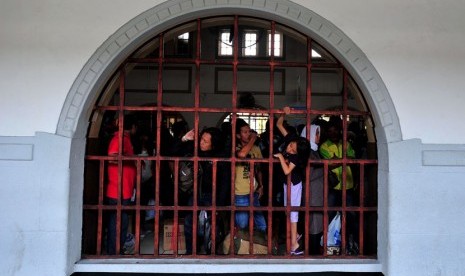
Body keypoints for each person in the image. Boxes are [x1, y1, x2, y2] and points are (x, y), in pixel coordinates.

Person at [177, 127, 229, 254]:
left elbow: (225, 183)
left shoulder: (222, 157)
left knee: (212, 228)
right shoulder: (196, 151)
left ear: (214, 144)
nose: (201, 143)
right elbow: (170, 152)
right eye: (201, 139)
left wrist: (220, 206)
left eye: (206, 141)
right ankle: (191, 252)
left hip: (213, 196)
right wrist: (184, 139)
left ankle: (211, 253)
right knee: (190, 223)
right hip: (196, 193)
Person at [319, 116, 359, 254]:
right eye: (330, 131)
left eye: (335, 130)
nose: (333, 133)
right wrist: (344, 160)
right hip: (333, 187)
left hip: (348, 185)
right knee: (329, 214)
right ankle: (329, 243)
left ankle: (349, 242)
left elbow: (353, 159)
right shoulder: (324, 146)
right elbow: (328, 164)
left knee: (350, 216)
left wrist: (337, 161)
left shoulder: (346, 144)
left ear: (339, 131)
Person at [273, 107, 310, 255]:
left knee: (293, 213)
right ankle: (294, 237)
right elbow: (279, 125)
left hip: (294, 184)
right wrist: (284, 113)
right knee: (289, 212)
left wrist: (281, 157)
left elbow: (288, 171)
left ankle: (294, 244)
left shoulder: (295, 157)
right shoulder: (291, 139)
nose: (288, 148)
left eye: (292, 149)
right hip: (286, 184)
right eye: (290, 145)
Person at [105, 114, 137, 255]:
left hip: (123, 187)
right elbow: (112, 156)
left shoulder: (124, 139)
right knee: (118, 222)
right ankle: (114, 251)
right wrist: (130, 159)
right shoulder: (120, 139)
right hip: (118, 188)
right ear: (133, 127)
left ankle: (116, 249)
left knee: (120, 220)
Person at [234, 119, 267, 232]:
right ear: (238, 135)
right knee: (242, 226)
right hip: (240, 193)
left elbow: (259, 169)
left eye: (250, 131)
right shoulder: (235, 148)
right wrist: (253, 138)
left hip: (254, 191)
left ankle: (259, 248)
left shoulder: (256, 149)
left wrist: (261, 186)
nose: (249, 134)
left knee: (262, 225)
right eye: (245, 132)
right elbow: (242, 155)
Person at [301, 123, 324, 254]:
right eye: (316, 133)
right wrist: (327, 168)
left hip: (317, 192)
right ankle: (311, 253)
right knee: (313, 224)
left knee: (316, 223)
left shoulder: (314, 151)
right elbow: (308, 175)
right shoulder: (308, 152)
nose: (319, 136)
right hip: (312, 193)